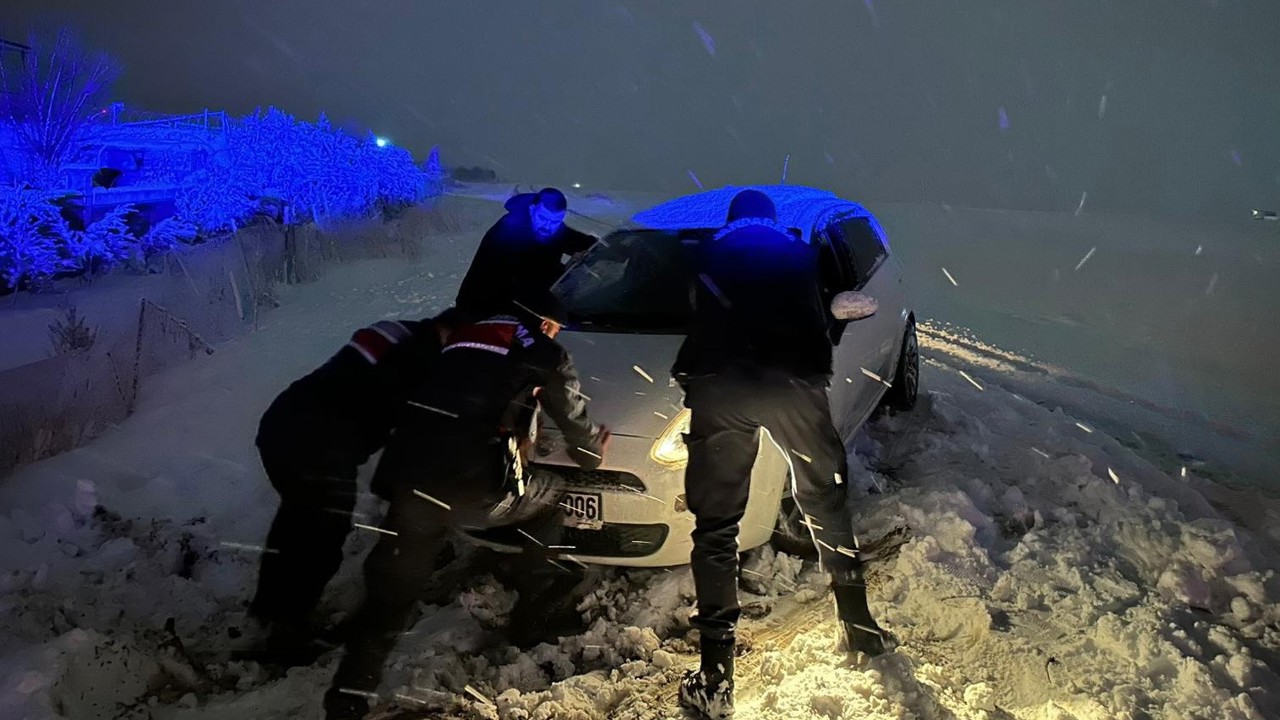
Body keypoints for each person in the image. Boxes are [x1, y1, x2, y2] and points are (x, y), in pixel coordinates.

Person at [323, 291, 609, 720]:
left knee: (392, 594)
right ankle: (537, 612)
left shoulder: (461, 338)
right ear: (546, 324)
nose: (554, 334)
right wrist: (590, 450)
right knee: (551, 494)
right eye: (555, 327)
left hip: (408, 479)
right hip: (467, 487)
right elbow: (581, 440)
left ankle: (346, 698)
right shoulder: (546, 352)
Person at [672, 189, 890, 719]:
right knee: (824, 497)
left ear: (731, 223)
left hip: (720, 389)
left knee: (717, 525)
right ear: (770, 223)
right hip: (793, 386)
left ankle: (716, 678)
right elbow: (821, 319)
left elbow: (695, 316)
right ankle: (860, 627)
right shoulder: (801, 255)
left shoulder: (702, 254)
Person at [242, 311, 456, 665]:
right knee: (321, 538)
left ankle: (267, 615)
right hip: (318, 445)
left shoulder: (398, 331)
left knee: (295, 525)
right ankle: (286, 636)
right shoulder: (421, 356)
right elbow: (407, 422)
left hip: (282, 425)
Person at [455, 187, 597, 316]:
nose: (548, 226)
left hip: (515, 306)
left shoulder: (549, 227)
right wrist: (567, 270)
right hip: (481, 307)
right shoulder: (508, 231)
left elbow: (576, 240)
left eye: (555, 221)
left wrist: (601, 247)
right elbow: (527, 278)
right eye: (543, 218)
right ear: (531, 209)